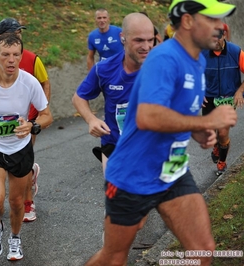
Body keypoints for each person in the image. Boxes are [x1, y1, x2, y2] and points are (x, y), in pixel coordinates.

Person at [85, 0, 237, 265]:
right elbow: (148, 116)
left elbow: (177, 110)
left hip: (172, 171)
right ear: (188, 21)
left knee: (203, 250)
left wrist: (196, 130)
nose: (220, 26)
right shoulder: (164, 58)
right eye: (211, 20)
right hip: (132, 176)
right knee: (114, 257)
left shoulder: (197, 60)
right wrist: (205, 121)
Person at [0, 34, 53, 261]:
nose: (11, 60)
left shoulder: (29, 83)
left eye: (16, 55)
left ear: (21, 56)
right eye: (5, 55)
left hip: (20, 149)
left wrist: (32, 126)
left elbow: (47, 116)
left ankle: (15, 238)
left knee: (16, 203)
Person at [0, 17, 51, 222]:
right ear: (0, 38)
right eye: (14, 32)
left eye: (19, 33)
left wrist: (37, 114)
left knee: (23, 161)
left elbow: (45, 83)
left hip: (25, 120)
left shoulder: (31, 58)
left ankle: (27, 204)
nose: (18, 36)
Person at [72, 12, 155, 172]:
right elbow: (78, 97)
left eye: (150, 40)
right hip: (114, 145)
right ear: (123, 38)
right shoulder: (103, 69)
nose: (146, 47)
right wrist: (91, 120)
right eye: (139, 40)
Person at [202, 28, 244, 176]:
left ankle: (222, 162)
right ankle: (215, 145)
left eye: (218, 38)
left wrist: (239, 91)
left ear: (224, 35)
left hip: (228, 98)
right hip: (209, 98)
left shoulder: (236, 52)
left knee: (223, 132)